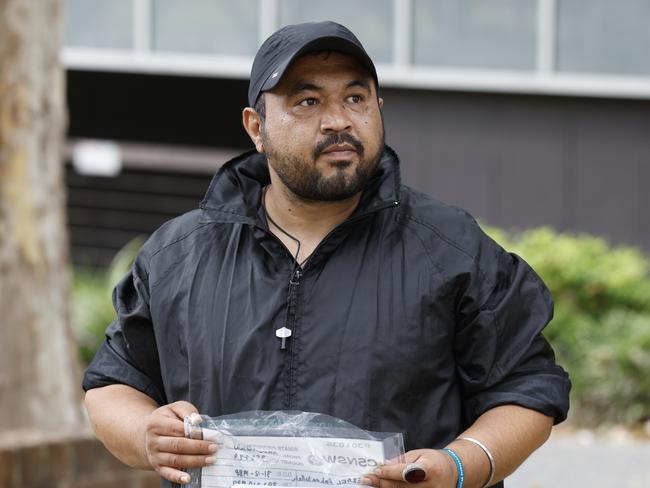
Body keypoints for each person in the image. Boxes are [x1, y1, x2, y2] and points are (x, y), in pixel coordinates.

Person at [83, 21, 570, 488]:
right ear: (257, 126)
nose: (339, 120)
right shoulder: (178, 256)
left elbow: (526, 388)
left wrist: (460, 468)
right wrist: (146, 435)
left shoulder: (451, 249)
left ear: (378, 108)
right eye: (308, 101)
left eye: (355, 98)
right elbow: (114, 384)